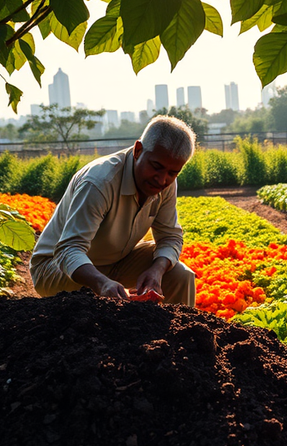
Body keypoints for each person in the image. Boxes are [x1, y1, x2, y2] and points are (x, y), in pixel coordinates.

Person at [30, 115, 196, 306]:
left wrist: (156, 271)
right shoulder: (99, 182)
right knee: (97, 304)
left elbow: (170, 237)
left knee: (180, 275)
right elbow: (68, 249)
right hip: (55, 267)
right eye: (156, 167)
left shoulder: (166, 184)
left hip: (116, 261)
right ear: (138, 150)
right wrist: (101, 282)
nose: (162, 179)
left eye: (172, 172)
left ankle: (180, 334)